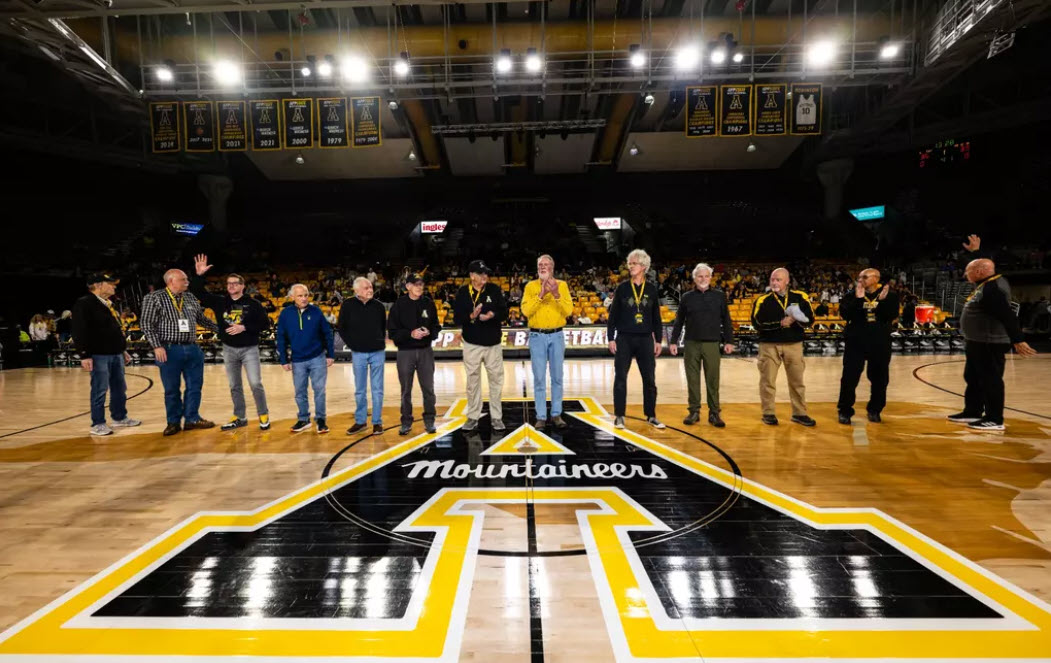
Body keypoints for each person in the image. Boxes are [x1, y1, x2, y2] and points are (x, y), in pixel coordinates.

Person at [948, 235, 1037, 431]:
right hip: (977, 341)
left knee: (990, 380)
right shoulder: (987, 282)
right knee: (973, 377)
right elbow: (984, 265)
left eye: (968, 271)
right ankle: (972, 411)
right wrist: (976, 252)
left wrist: (1018, 340)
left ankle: (994, 419)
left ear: (979, 272)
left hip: (989, 342)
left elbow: (1007, 315)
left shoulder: (993, 288)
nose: (965, 274)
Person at [193, 254, 272, 431]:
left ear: (243, 286)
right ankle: (240, 417)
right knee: (234, 386)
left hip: (249, 349)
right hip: (229, 349)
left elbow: (265, 324)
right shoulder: (220, 302)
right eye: (229, 283)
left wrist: (244, 327)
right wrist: (199, 275)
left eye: (235, 283)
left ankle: (263, 414)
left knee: (255, 384)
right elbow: (199, 293)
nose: (231, 286)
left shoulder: (254, 304)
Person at [140, 268, 217, 436]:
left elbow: (202, 320)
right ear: (171, 281)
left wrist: (224, 330)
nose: (187, 282)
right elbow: (146, 324)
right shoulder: (154, 298)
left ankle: (192, 419)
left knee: (195, 386)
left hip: (192, 348)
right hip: (168, 349)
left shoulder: (190, 297)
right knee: (171, 389)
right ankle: (173, 422)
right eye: (183, 280)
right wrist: (157, 346)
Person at [72, 273, 141, 436]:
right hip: (98, 354)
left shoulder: (108, 304)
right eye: (110, 283)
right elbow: (79, 330)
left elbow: (114, 330)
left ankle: (119, 417)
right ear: (98, 285)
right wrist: (84, 354)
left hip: (115, 353)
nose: (114, 286)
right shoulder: (84, 303)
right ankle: (98, 423)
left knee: (119, 388)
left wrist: (122, 350)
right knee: (100, 389)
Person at [669, 262, 734, 427]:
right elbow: (679, 321)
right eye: (700, 276)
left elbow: (726, 320)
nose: (703, 279)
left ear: (711, 278)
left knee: (713, 380)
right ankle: (694, 412)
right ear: (694, 278)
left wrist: (729, 340)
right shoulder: (686, 297)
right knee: (692, 379)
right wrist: (673, 341)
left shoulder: (719, 296)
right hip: (691, 343)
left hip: (712, 343)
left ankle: (714, 413)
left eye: (706, 276)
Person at [750, 267, 816, 427]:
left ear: (787, 281)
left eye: (778, 279)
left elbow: (811, 319)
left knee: (797, 381)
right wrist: (779, 324)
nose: (774, 282)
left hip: (794, 345)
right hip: (769, 346)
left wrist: (796, 319)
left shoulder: (800, 297)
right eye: (772, 279)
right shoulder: (762, 300)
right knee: (767, 381)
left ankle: (800, 413)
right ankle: (768, 413)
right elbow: (756, 323)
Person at [607, 249, 665, 430]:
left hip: (646, 339)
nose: (630, 266)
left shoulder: (652, 289)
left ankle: (651, 415)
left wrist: (658, 340)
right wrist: (611, 338)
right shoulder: (623, 288)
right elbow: (613, 315)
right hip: (624, 338)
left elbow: (656, 318)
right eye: (629, 263)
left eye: (634, 263)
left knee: (649, 379)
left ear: (644, 266)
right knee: (620, 378)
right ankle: (619, 416)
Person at [836, 269, 899, 425]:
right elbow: (845, 315)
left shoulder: (889, 295)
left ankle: (875, 410)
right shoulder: (851, 295)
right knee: (849, 378)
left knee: (880, 379)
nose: (860, 280)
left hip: (880, 343)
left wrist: (882, 302)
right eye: (859, 277)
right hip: (855, 343)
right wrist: (858, 300)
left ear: (876, 279)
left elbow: (890, 316)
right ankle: (845, 411)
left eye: (864, 277)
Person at [453, 260, 508, 432]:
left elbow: (505, 312)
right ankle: (472, 416)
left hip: (493, 344)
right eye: (480, 273)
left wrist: (493, 315)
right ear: (472, 276)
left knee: (496, 381)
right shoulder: (463, 293)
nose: (484, 276)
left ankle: (497, 417)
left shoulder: (494, 289)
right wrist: (471, 315)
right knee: (472, 382)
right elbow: (456, 318)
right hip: (472, 345)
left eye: (485, 273)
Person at [520, 254, 574, 430]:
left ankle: (556, 414)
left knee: (557, 377)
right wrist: (541, 294)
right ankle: (541, 416)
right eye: (540, 265)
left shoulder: (562, 285)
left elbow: (568, 311)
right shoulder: (530, 286)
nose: (542, 267)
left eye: (546, 264)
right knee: (539, 378)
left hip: (557, 335)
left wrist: (556, 294)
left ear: (552, 267)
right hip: (537, 336)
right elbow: (526, 311)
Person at [276, 284, 335, 433]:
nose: (303, 298)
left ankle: (321, 420)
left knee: (319, 391)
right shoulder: (285, 314)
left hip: (317, 358)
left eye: (306, 295)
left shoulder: (316, 311)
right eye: (300, 296)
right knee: (300, 392)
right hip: (297, 360)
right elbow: (281, 337)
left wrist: (330, 354)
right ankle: (303, 419)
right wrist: (283, 359)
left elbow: (327, 333)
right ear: (292, 297)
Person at [387, 273, 441, 435]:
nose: (419, 287)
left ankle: (430, 420)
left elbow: (436, 326)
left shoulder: (428, 303)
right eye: (416, 284)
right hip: (405, 352)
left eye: (421, 284)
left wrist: (429, 332)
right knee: (405, 391)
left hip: (425, 351)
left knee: (429, 389)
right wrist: (410, 334)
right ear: (408, 286)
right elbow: (393, 332)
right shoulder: (399, 305)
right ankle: (406, 421)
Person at [338, 277, 388, 435]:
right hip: (358, 353)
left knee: (377, 390)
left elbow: (383, 326)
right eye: (366, 288)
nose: (370, 290)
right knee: (360, 390)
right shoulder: (348, 305)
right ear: (357, 290)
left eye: (371, 287)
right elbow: (342, 328)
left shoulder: (379, 306)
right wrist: (352, 344)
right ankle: (360, 422)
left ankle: (377, 422)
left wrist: (378, 341)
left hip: (377, 352)